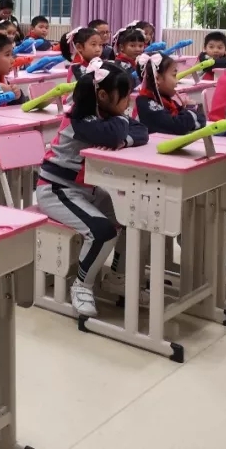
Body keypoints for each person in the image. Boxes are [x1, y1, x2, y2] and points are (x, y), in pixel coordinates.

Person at [36, 60, 148, 317]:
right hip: (57, 190)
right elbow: (114, 134)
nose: (128, 103)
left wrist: (124, 138)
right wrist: (121, 130)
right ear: (103, 95)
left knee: (135, 219)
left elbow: (141, 130)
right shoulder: (80, 119)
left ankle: (117, 278)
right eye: (124, 97)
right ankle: (82, 285)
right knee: (102, 232)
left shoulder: (105, 115)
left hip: (87, 191)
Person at [134, 53, 206, 135]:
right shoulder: (145, 103)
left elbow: (201, 119)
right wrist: (190, 109)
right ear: (157, 78)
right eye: (174, 75)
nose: (177, 81)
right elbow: (178, 126)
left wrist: (189, 116)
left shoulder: (167, 100)